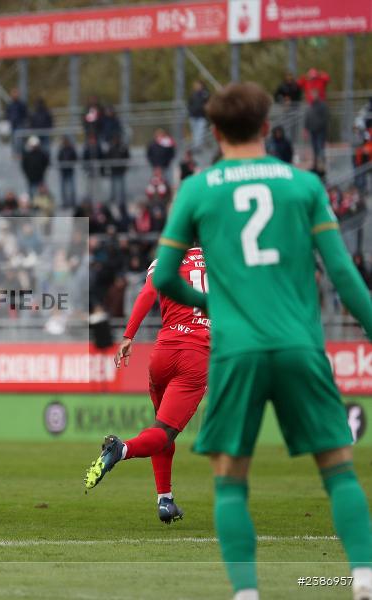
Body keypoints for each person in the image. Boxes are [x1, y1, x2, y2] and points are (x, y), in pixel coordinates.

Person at [152, 81, 372, 600]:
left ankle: (247, 592)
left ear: (214, 131)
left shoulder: (198, 189)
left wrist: (211, 303)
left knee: (231, 479)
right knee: (338, 470)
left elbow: (162, 277)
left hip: (236, 350)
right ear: (268, 128)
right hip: (299, 346)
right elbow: (343, 275)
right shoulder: (304, 185)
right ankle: (363, 579)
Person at [85, 248, 209, 522]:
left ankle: (165, 500)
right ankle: (121, 449)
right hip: (196, 355)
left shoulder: (165, 260)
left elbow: (147, 294)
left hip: (163, 352)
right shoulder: (224, 260)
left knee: (160, 429)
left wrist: (128, 336)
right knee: (164, 432)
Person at [304, 89, 329, 171]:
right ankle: (315, 165)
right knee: (314, 148)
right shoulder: (311, 106)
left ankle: (322, 165)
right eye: (312, 94)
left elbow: (325, 118)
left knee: (320, 147)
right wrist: (306, 128)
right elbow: (307, 117)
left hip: (320, 131)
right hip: (312, 130)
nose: (313, 96)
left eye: (314, 94)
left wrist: (319, 126)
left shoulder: (322, 105)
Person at [4, 88, 28, 156]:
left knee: (19, 141)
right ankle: (15, 154)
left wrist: (24, 122)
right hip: (12, 125)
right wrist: (8, 120)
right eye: (13, 93)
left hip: (20, 124)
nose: (14, 95)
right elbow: (7, 113)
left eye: (16, 93)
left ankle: (20, 154)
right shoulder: (10, 104)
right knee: (13, 141)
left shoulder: (21, 104)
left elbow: (25, 114)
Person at [187, 80, 210, 150]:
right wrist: (190, 110)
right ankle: (196, 147)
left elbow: (208, 101)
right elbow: (189, 103)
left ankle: (198, 147)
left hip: (201, 116)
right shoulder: (193, 94)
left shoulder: (205, 93)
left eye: (198, 85)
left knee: (200, 133)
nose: (197, 86)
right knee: (195, 133)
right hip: (193, 116)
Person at [57, 136, 78, 210]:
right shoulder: (61, 150)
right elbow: (59, 158)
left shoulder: (71, 149)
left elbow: (75, 158)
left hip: (70, 171)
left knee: (72, 188)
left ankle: (73, 202)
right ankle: (65, 203)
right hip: (63, 172)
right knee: (63, 189)